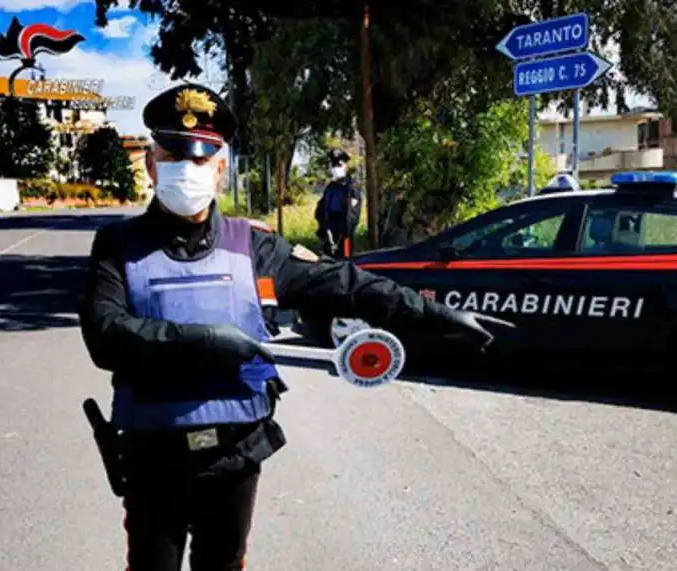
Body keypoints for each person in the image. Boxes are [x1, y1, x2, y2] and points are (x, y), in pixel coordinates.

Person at [77, 83, 510, 571]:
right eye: (173, 157)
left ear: (220, 169)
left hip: (234, 454)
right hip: (153, 455)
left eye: (201, 160)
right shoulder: (117, 244)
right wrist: (204, 341)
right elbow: (105, 334)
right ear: (152, 166)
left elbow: (342, 283)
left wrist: (436, 315)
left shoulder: (253, 246)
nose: (187, 171)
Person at [314, 149, 361, 258]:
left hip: (344, 230)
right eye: (334, 165)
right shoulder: (330, 187)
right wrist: (324, 228)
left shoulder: (352, 187)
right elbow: (321, 208)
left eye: (339, 165)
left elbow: (353, 213)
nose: (336, 168)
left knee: (345, 261)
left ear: (346, 167)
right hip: (330, 227)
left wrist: (345, 232)